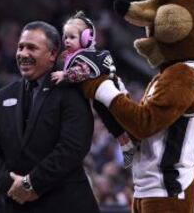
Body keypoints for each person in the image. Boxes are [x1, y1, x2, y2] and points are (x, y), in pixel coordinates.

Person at [0, 21, 100, 213]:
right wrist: (10, 186)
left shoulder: (71, 90)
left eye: (32, 48)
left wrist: (32, 184)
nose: (23, 54)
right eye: (20, 47)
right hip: (17, 203)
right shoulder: (3, 95)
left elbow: (73, 147)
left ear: (53, 54)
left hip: (65, 204)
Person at [50, 11, 134, 168]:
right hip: (101, 96)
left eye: (72, 37)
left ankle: (133, 140)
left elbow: (84, 71)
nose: (67, 41)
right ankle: (126, 145)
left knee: (121, 119)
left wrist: (65, 74)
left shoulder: (84, 57)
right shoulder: (75, 54)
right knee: (112, 124)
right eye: (65, 37)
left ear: (86, 38)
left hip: (112, 91)